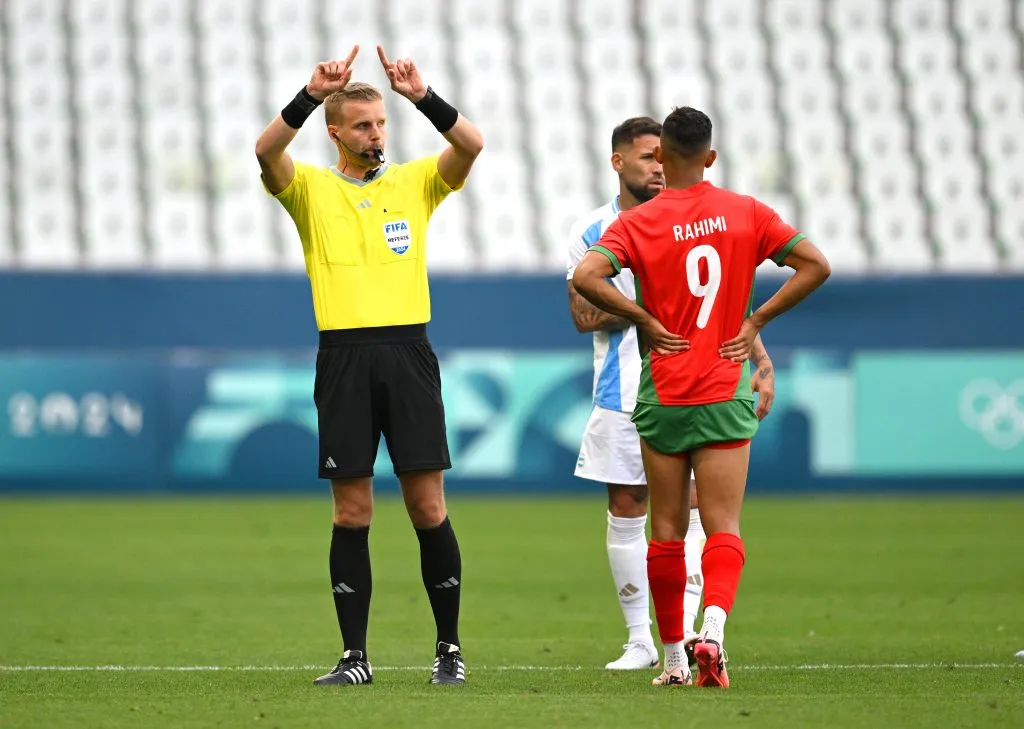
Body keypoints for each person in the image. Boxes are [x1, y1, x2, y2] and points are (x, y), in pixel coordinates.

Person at [572, 107, 830, 688]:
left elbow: (587, 277)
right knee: (722, 526)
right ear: (710, 157)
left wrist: (640, 315)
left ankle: (671, 660)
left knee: (662, 529)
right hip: (724, 388)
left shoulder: (639, 223)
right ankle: (711, 629)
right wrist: (756, 321)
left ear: (660, 154)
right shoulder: (746, 213)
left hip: (664, 393)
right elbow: (815, 265)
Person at [255, 45, 484, 687]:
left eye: (381, 123)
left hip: (409, 354)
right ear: (336, 133)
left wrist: (422, 95)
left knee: (427, 507)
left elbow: (470, 145)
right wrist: (307, 93)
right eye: (362, 125)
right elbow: (265, 152)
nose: (376, 134)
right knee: (351, 513)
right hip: (344, 358)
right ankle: (355, 657)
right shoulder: (310, 189)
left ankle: (449, 650)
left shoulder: (414, 182)